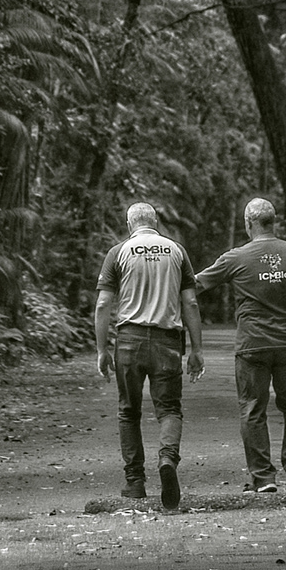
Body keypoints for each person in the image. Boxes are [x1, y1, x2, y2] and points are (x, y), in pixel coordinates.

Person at [194, 197, 286, 494]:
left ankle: (263, 477)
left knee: (252, 409)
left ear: (248, 224)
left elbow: (195, 285)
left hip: (253, 346)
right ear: (274, 222)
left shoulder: (235, 258)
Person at [93, 203, 204, 511]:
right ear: (156, 222)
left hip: (129, 341)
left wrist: (102, 349)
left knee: (128, 411)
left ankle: (134, 482)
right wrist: (197, 349)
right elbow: (191, 303)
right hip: (167, 341)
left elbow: (103, 304)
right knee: (169, 409)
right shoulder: (176, 251)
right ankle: (167, 458)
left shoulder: (119, 252)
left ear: (130, 224)